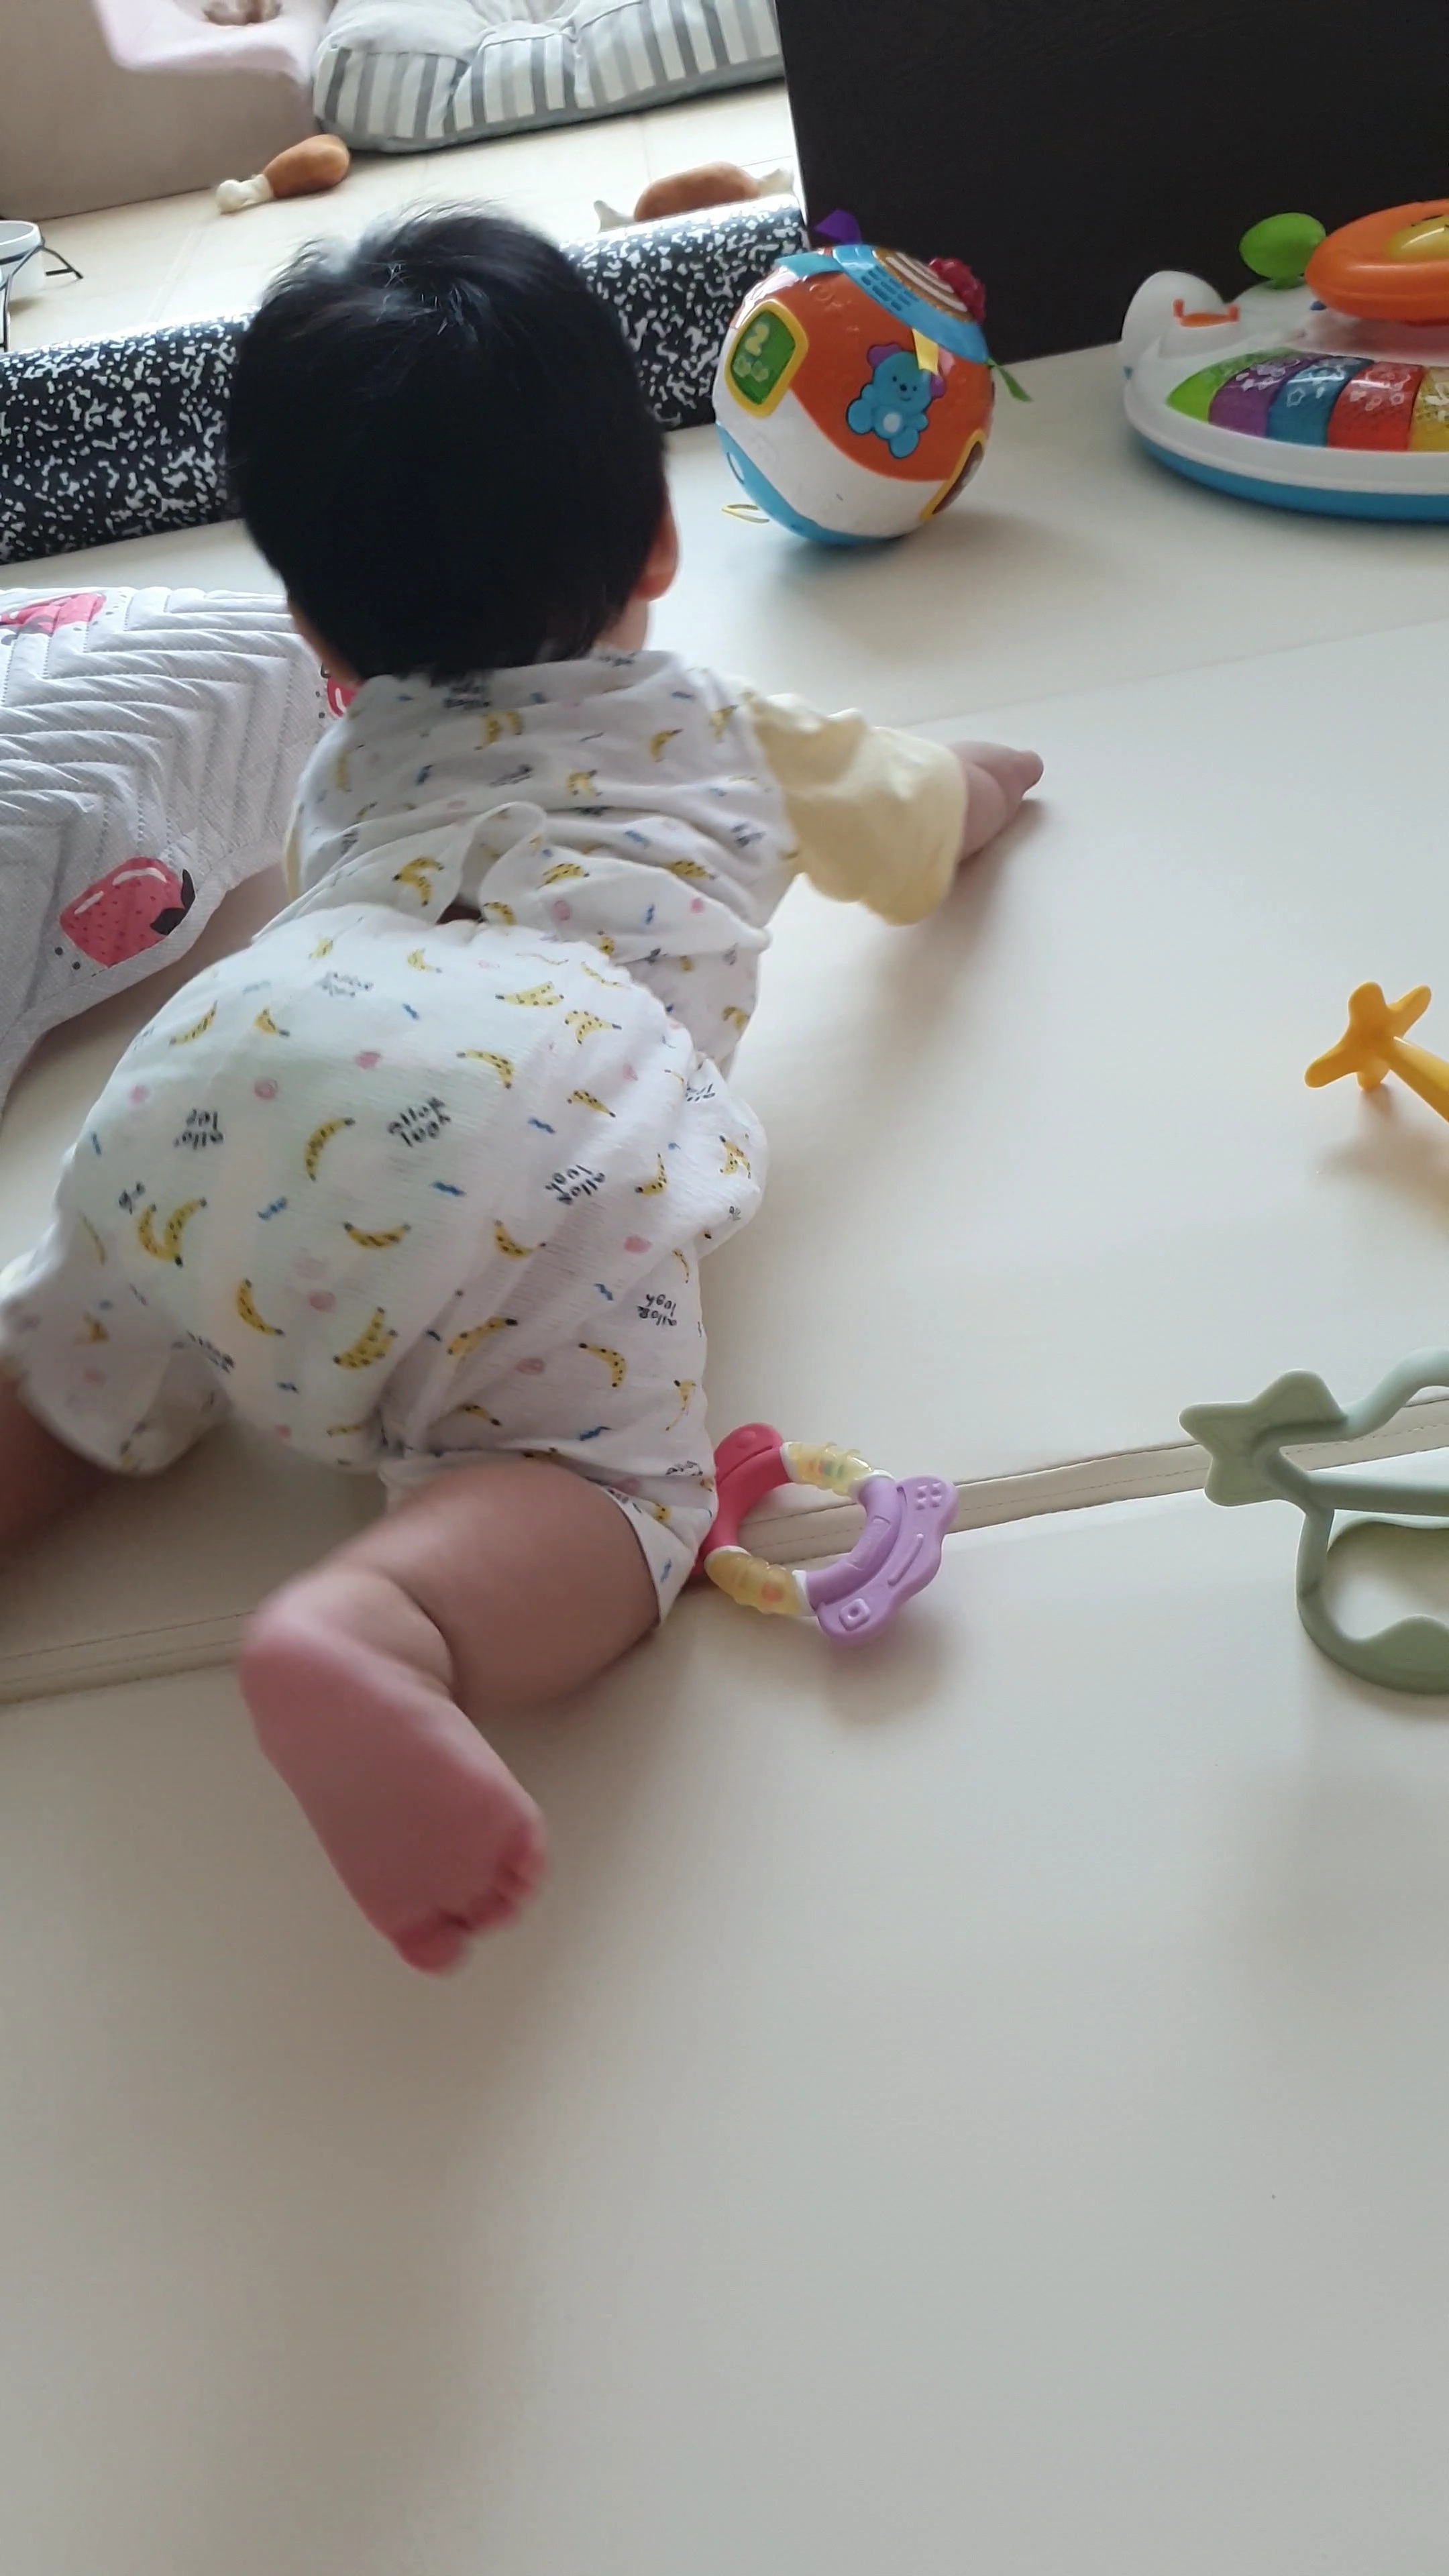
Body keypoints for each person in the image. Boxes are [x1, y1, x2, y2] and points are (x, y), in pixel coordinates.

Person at [0, 213, 1041, 1971]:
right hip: (527, 1105)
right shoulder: (731, 727)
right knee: (598, 1482)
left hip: (217, 1062)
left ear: (316, 636)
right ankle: (383, 1621)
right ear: (659, 540)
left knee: (63, 1363)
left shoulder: (344, 759)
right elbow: (931, 817)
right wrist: (991, 775)